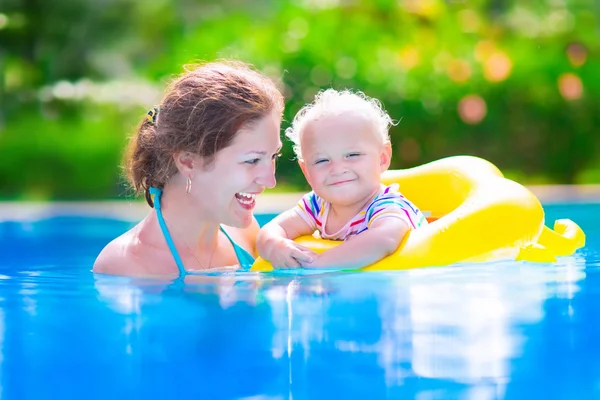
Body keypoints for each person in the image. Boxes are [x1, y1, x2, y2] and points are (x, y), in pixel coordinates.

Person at [93, 61, 284, 277]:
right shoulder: (127, 265)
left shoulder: (246, 236)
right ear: (188, 162)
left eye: (274, 156)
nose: (270, 181)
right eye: (252, 160)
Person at [256, 89, 428, 270]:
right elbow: (270, 230)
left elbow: (384, 239)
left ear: (382, 158)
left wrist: (316, 266)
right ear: (306, 171)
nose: (337, 169)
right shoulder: (317, 205)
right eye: (322, 160)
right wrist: (275, 245)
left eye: (352, 155)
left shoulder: (387, 206)